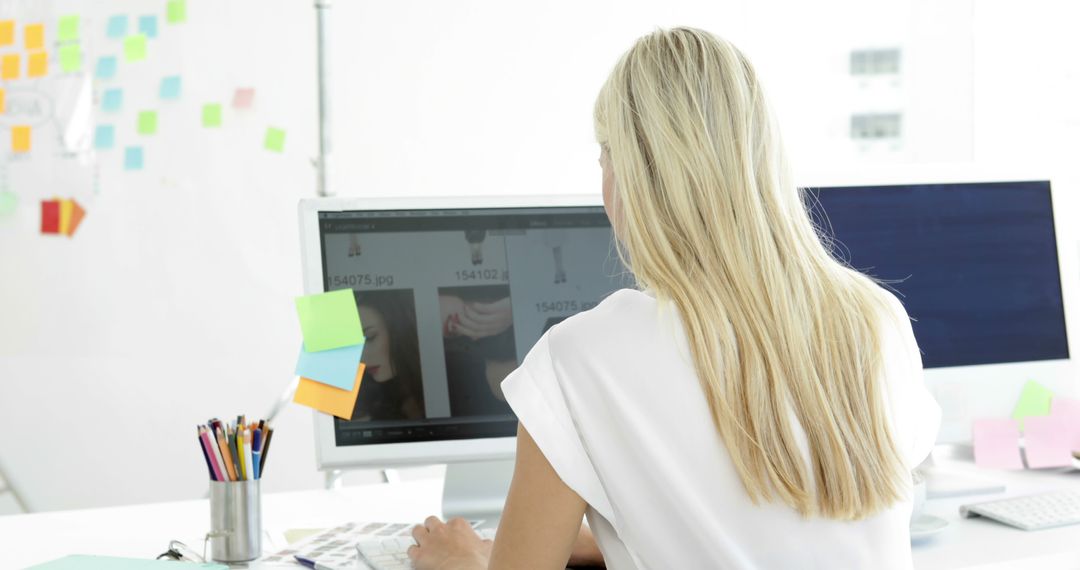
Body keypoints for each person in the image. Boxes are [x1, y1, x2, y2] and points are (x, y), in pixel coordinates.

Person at [407, 27, 941, 569]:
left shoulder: (579, 356)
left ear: (628, 177)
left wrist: (461, 560)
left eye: (604, 160)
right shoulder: (876, 318)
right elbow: (771, 531)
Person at [349, 290, 425, 421]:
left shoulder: (454, 373)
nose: (360, 359)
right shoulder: (366, 397)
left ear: (398, 330)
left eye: (369, 337)